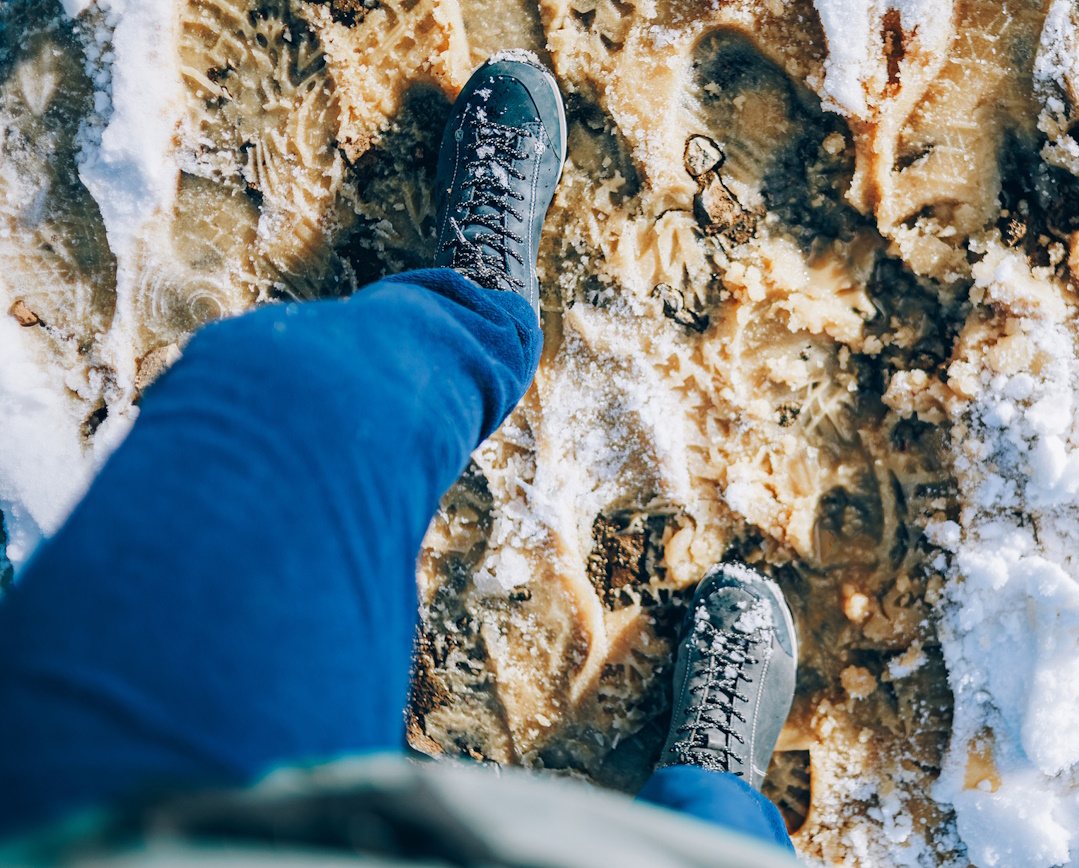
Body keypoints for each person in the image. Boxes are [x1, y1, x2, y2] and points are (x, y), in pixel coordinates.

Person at [0, 53, 800, 867]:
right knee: (711, 843)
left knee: (281, 397)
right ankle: (713, 786)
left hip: (115, 826)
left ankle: (477, 307)